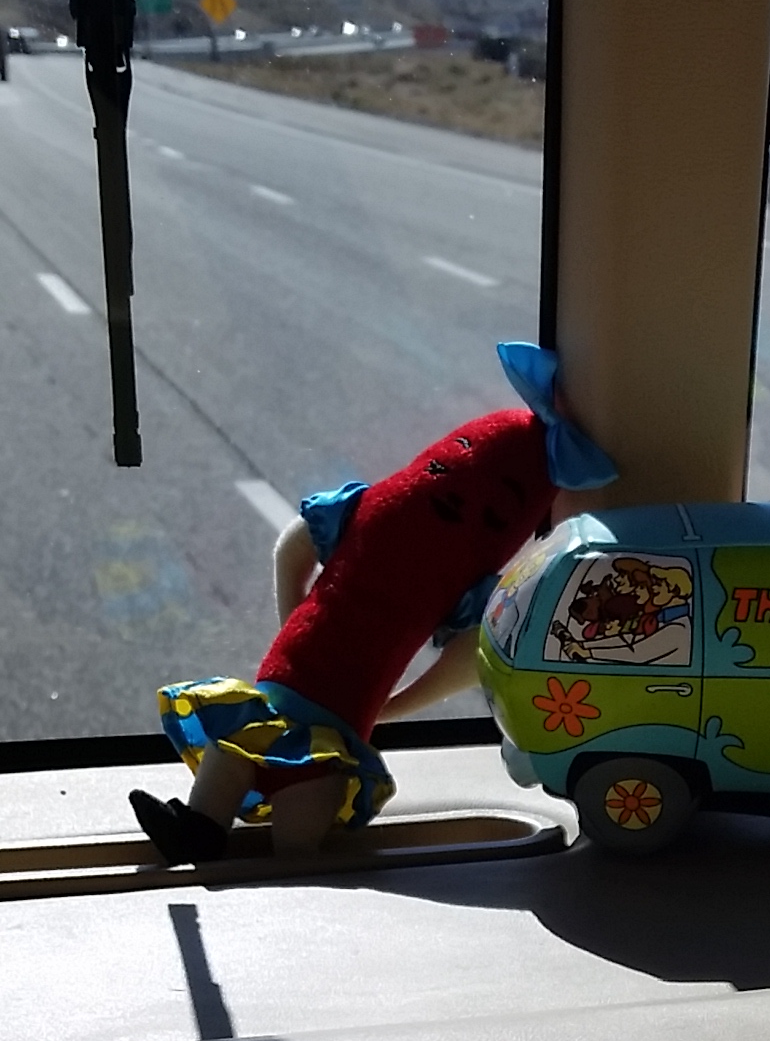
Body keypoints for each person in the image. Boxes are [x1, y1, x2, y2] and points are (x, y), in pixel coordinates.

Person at [129, 343, 618, 865]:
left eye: (493, 513)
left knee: (290, 824)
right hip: (284, 709)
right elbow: (469, 658)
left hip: (328, 732)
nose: (457, 495)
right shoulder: (390, 529)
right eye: (447, 466)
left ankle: (262, 850)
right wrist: (383, 700)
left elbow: (293, 550)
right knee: (235, 754)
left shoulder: (374, 518)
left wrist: (308, 640)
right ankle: (200, 831)